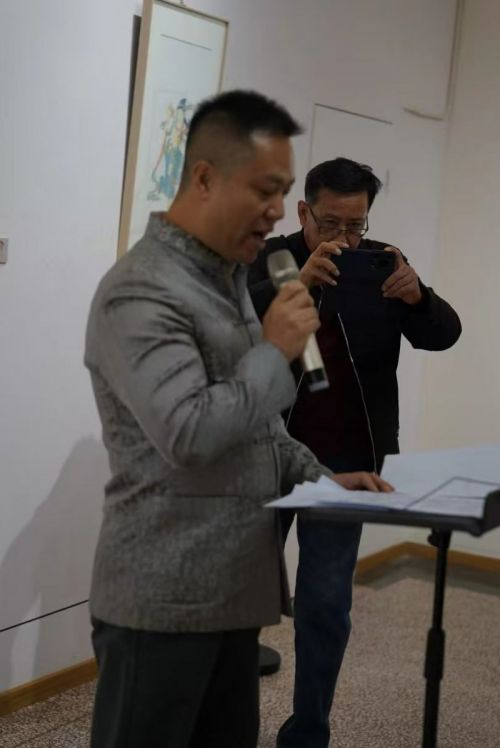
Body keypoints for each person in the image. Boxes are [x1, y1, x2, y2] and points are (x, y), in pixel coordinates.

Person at [84, 99, 391, 748]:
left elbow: (260, 427)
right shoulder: (142, 289)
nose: (279, 212)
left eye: (283, 192)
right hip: (165, 599)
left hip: (231, 593)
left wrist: (322, 478)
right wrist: (276, 349)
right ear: (204, 178)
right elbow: (189, 433)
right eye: (264, 191)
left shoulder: (224, 280)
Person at [248, 157, 462, 748]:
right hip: (263, 455)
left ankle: (308, 733)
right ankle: (226, 724)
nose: (344, 239)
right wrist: (297, 282)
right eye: (330, 223)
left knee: (324, 604)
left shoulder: (383, 262)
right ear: (303, 212)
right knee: (239, 603)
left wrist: (417, 297)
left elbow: (443, 334)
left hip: (346, 461)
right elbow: (231, 321)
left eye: (356, 225)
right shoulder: (271, 259)